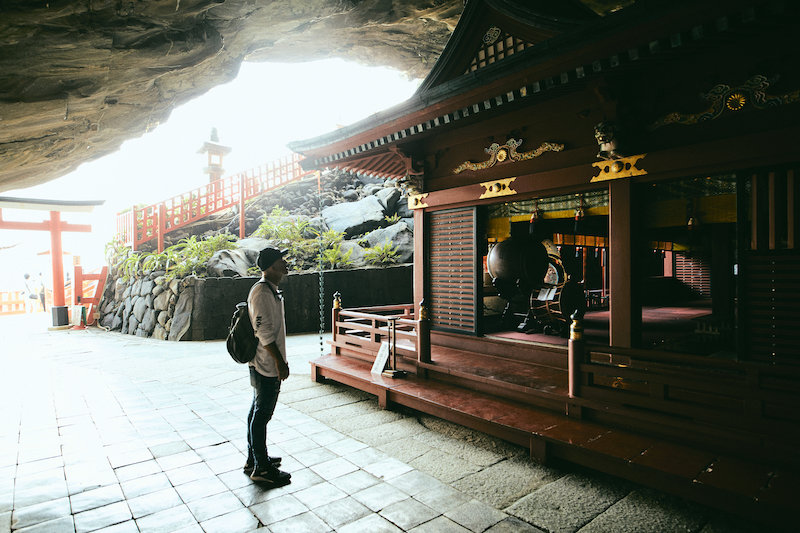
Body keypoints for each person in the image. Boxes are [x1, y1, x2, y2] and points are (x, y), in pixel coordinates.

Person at [244, 247, 292, 487]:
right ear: (271, 267)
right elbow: (263, 333)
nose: (285, 264)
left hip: (265, 362)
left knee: (257, 411)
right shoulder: (262, 293)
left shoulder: (269, 290)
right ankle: (261, 468)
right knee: (262, 414)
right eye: (281, 261)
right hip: (265, 364)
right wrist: (279, 362)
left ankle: (254, 459)